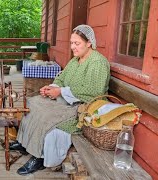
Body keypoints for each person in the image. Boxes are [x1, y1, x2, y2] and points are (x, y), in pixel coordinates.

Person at [10, 24, 111, 175]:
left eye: (77, 43)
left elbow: (94, 91)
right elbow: (61, 78)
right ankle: (25, 143)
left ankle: (39, 157)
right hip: (67, 100)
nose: (73, 47)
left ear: (89, 43)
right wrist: (52, 87)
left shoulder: (98, 62)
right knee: (33, 102)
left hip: (83, 107)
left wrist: (61, 91)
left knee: (46, 116)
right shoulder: (75, 60)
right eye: (71, 43)